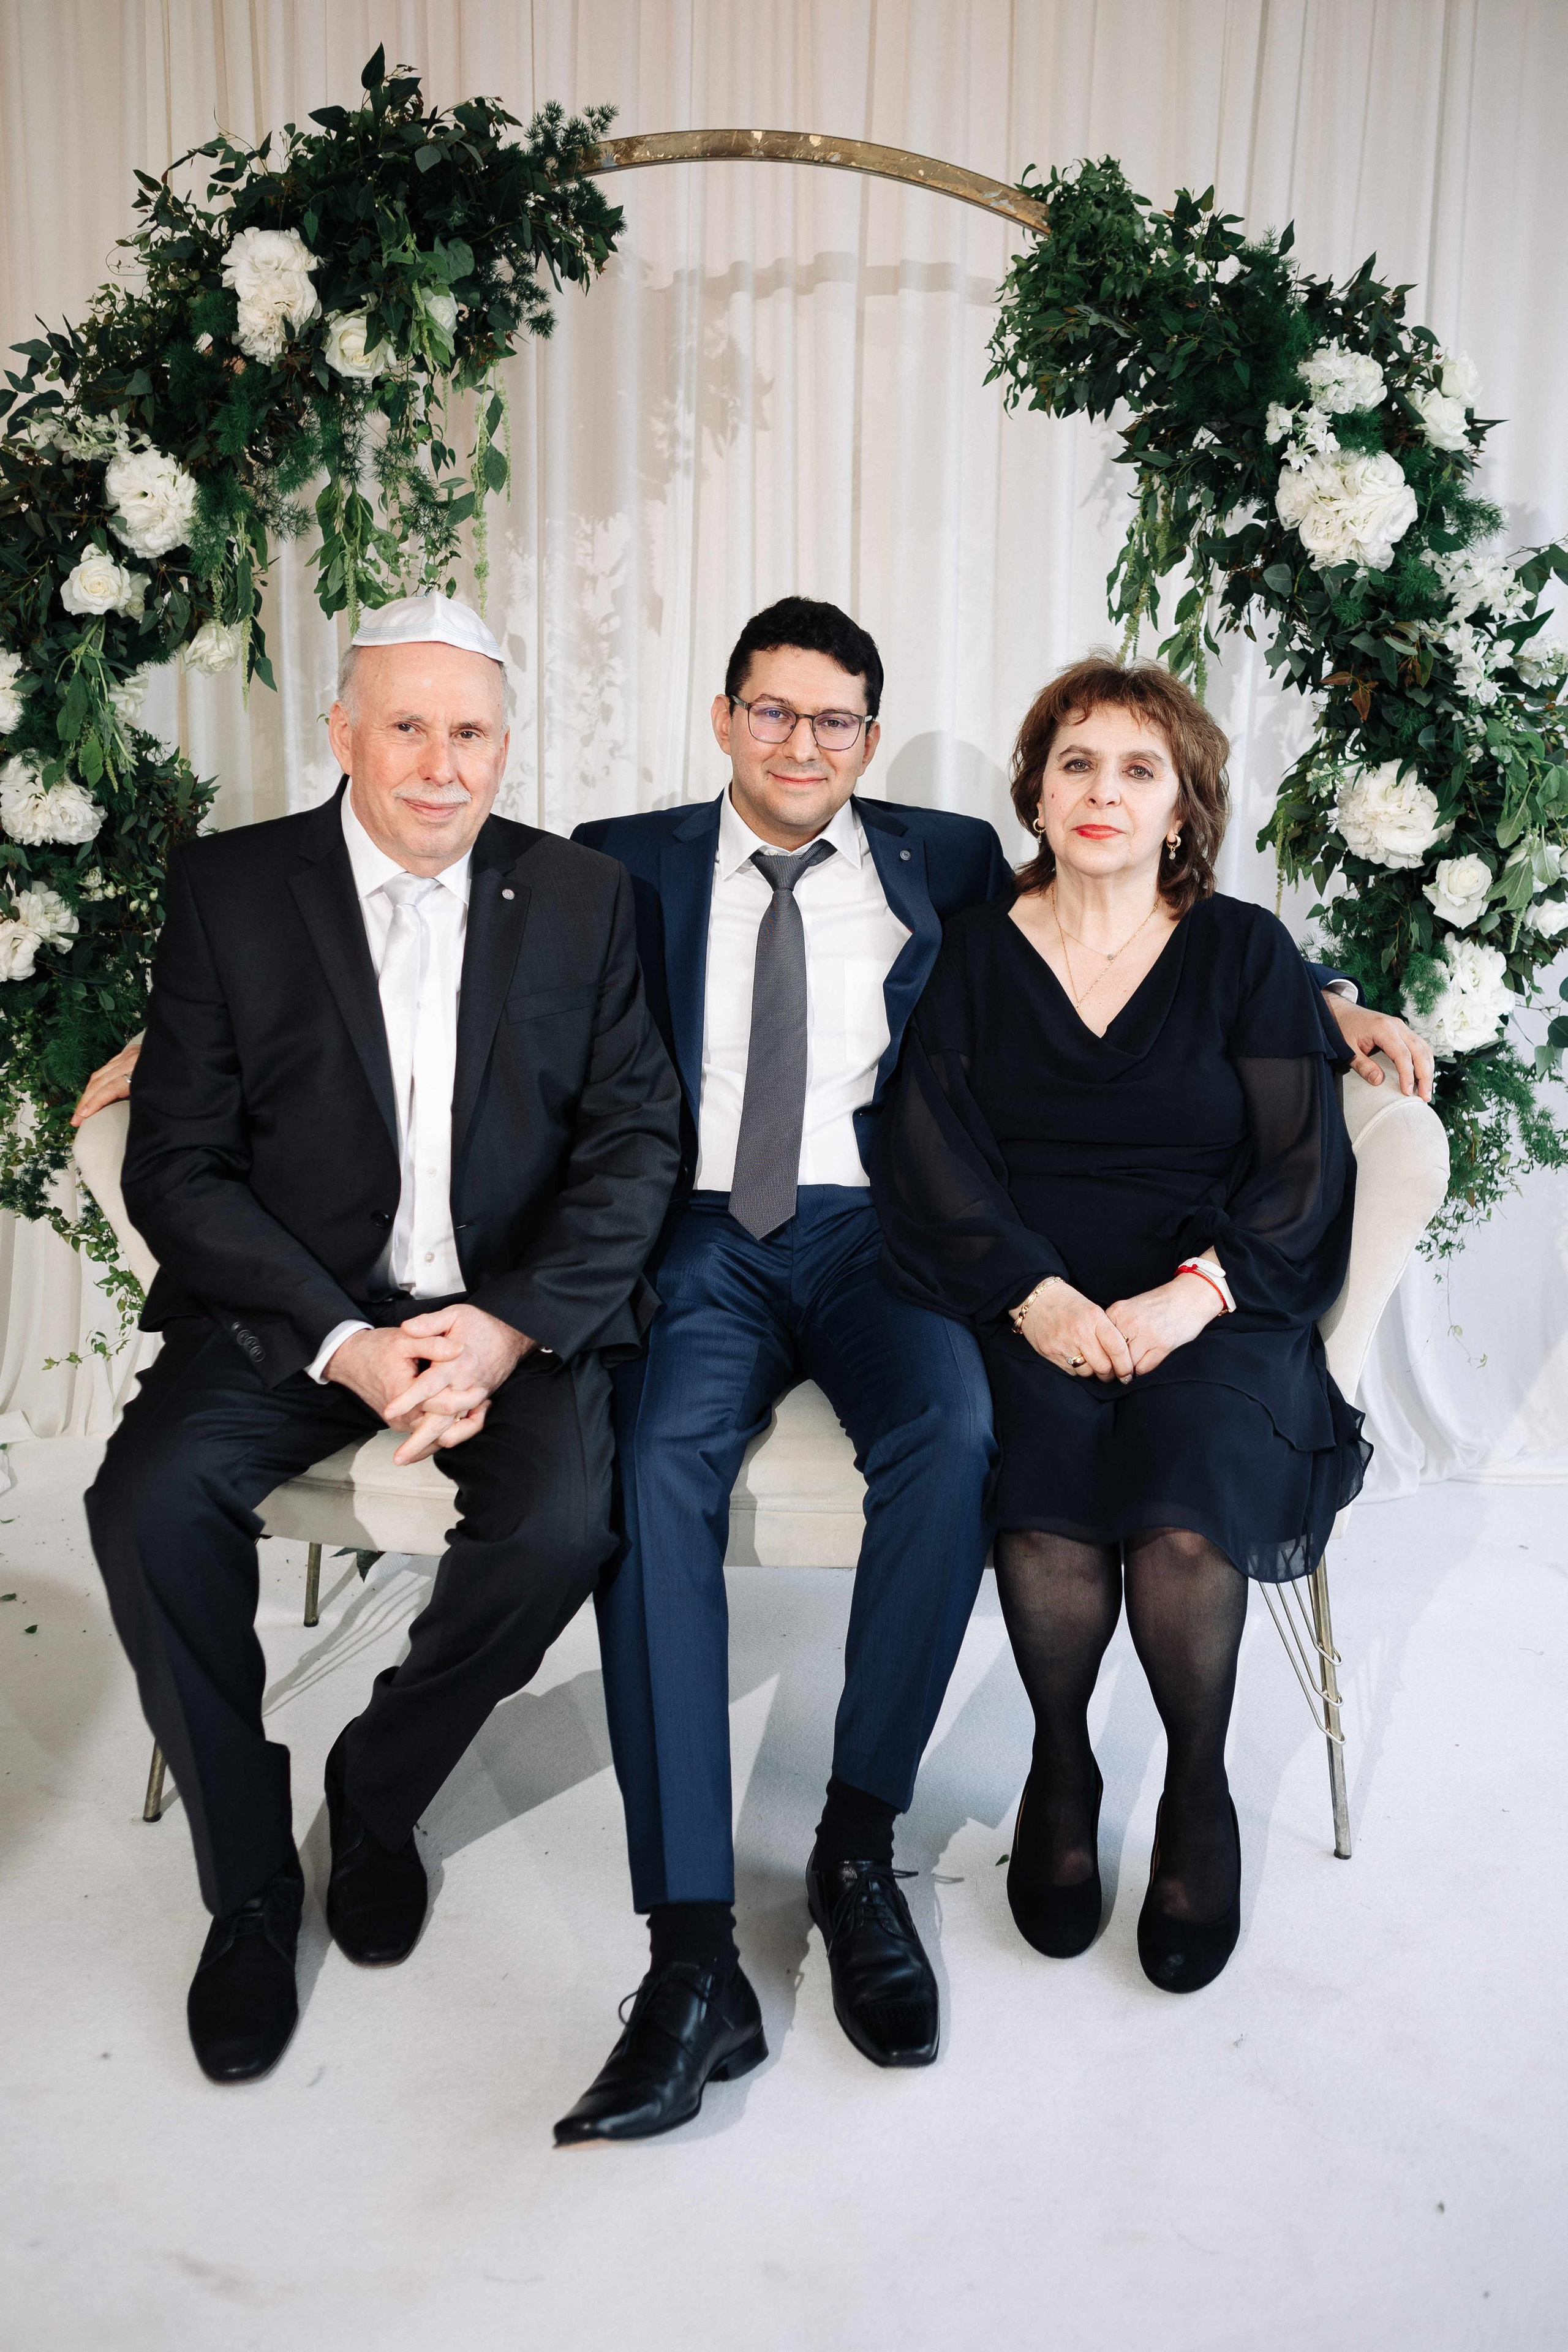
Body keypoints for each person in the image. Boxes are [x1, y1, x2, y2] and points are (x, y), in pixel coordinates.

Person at [548, 601, 1427, 2142]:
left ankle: (859, 1841)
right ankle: (688, 1944)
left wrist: (1329, 1003)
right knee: (651, 1466)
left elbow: (1216, 958)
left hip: (889, 1242)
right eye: (772, 712)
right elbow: (463, 969)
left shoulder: (936, 862)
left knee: (950, 1438)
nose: (801, 743)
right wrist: (207, 1034)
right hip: (728, 1238)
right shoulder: (616, 857)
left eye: (833, 721)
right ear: (721, 716)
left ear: (870, 741)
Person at [82, 595, 681, 2084]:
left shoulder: (584, 896)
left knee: (561, 1524)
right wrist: (344, 1341)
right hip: (292, 1311)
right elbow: (179, 1166)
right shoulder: (232, 890)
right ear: (341, 734)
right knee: (146, 1504)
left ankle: (377, 1787)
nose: (438, 763)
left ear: (503, 745)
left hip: (501, 1317)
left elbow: (634, 1146)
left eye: (469, 731)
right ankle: (247, 1881)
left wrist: (503, 1331)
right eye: (404, 726)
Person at [872, 655, 1374, 1997]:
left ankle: (1195, 1793)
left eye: (1136, 769)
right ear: (1033, 793)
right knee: (1039, 1507)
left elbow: (1299, 1169)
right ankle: (1060, 1756)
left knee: (1179, 1510)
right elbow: (931, 1149)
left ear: (1181, 805)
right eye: (1075, 762)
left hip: (1214, 1306)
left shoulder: (1243, 951)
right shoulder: (973, 951)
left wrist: (1189, 1295)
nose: (1102, 791)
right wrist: (1032, 1295)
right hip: (1026, 1296)